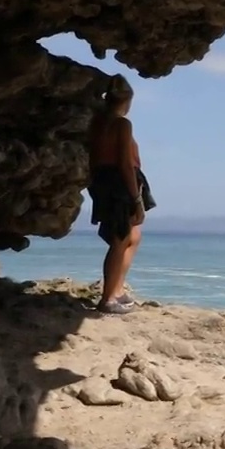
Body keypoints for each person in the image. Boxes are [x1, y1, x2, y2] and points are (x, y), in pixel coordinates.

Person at [86, 74, 156, 314]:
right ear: (127, 101)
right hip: (120, 181)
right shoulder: (121, 124)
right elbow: (125, 163)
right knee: (120, 239)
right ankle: (107, 299)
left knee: (132, 237)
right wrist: (136, 198)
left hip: (102, 181)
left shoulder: (97, 123)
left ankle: (115, 290)